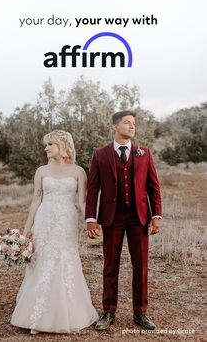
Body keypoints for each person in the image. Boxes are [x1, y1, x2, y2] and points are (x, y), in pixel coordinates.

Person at [11, 130, 98, 334]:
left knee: (64, 260)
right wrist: (27, 228)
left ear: (62, 145)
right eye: (46, 144)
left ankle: (65, 313)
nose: (46, 148)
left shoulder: (78, 171)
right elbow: (36, 199)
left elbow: (83, 202)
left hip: (66, 221)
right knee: (42, 261)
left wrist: (90, 222)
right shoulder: (41, 170)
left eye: (50, 144)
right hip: (44, 220)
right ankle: (37, 314)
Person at [85, 110, 162, 331]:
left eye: (133, 123)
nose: (131, 126)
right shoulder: (100, 154)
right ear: (115, 127)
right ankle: (108, 311)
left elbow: (153, 187)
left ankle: (141, 313)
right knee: (110, 265)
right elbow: (92, 189)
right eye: (127, 123)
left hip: (139, 218)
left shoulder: (144, 153)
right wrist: (91, 218)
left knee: (141, 266)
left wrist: (156, 216)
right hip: (112, 218)